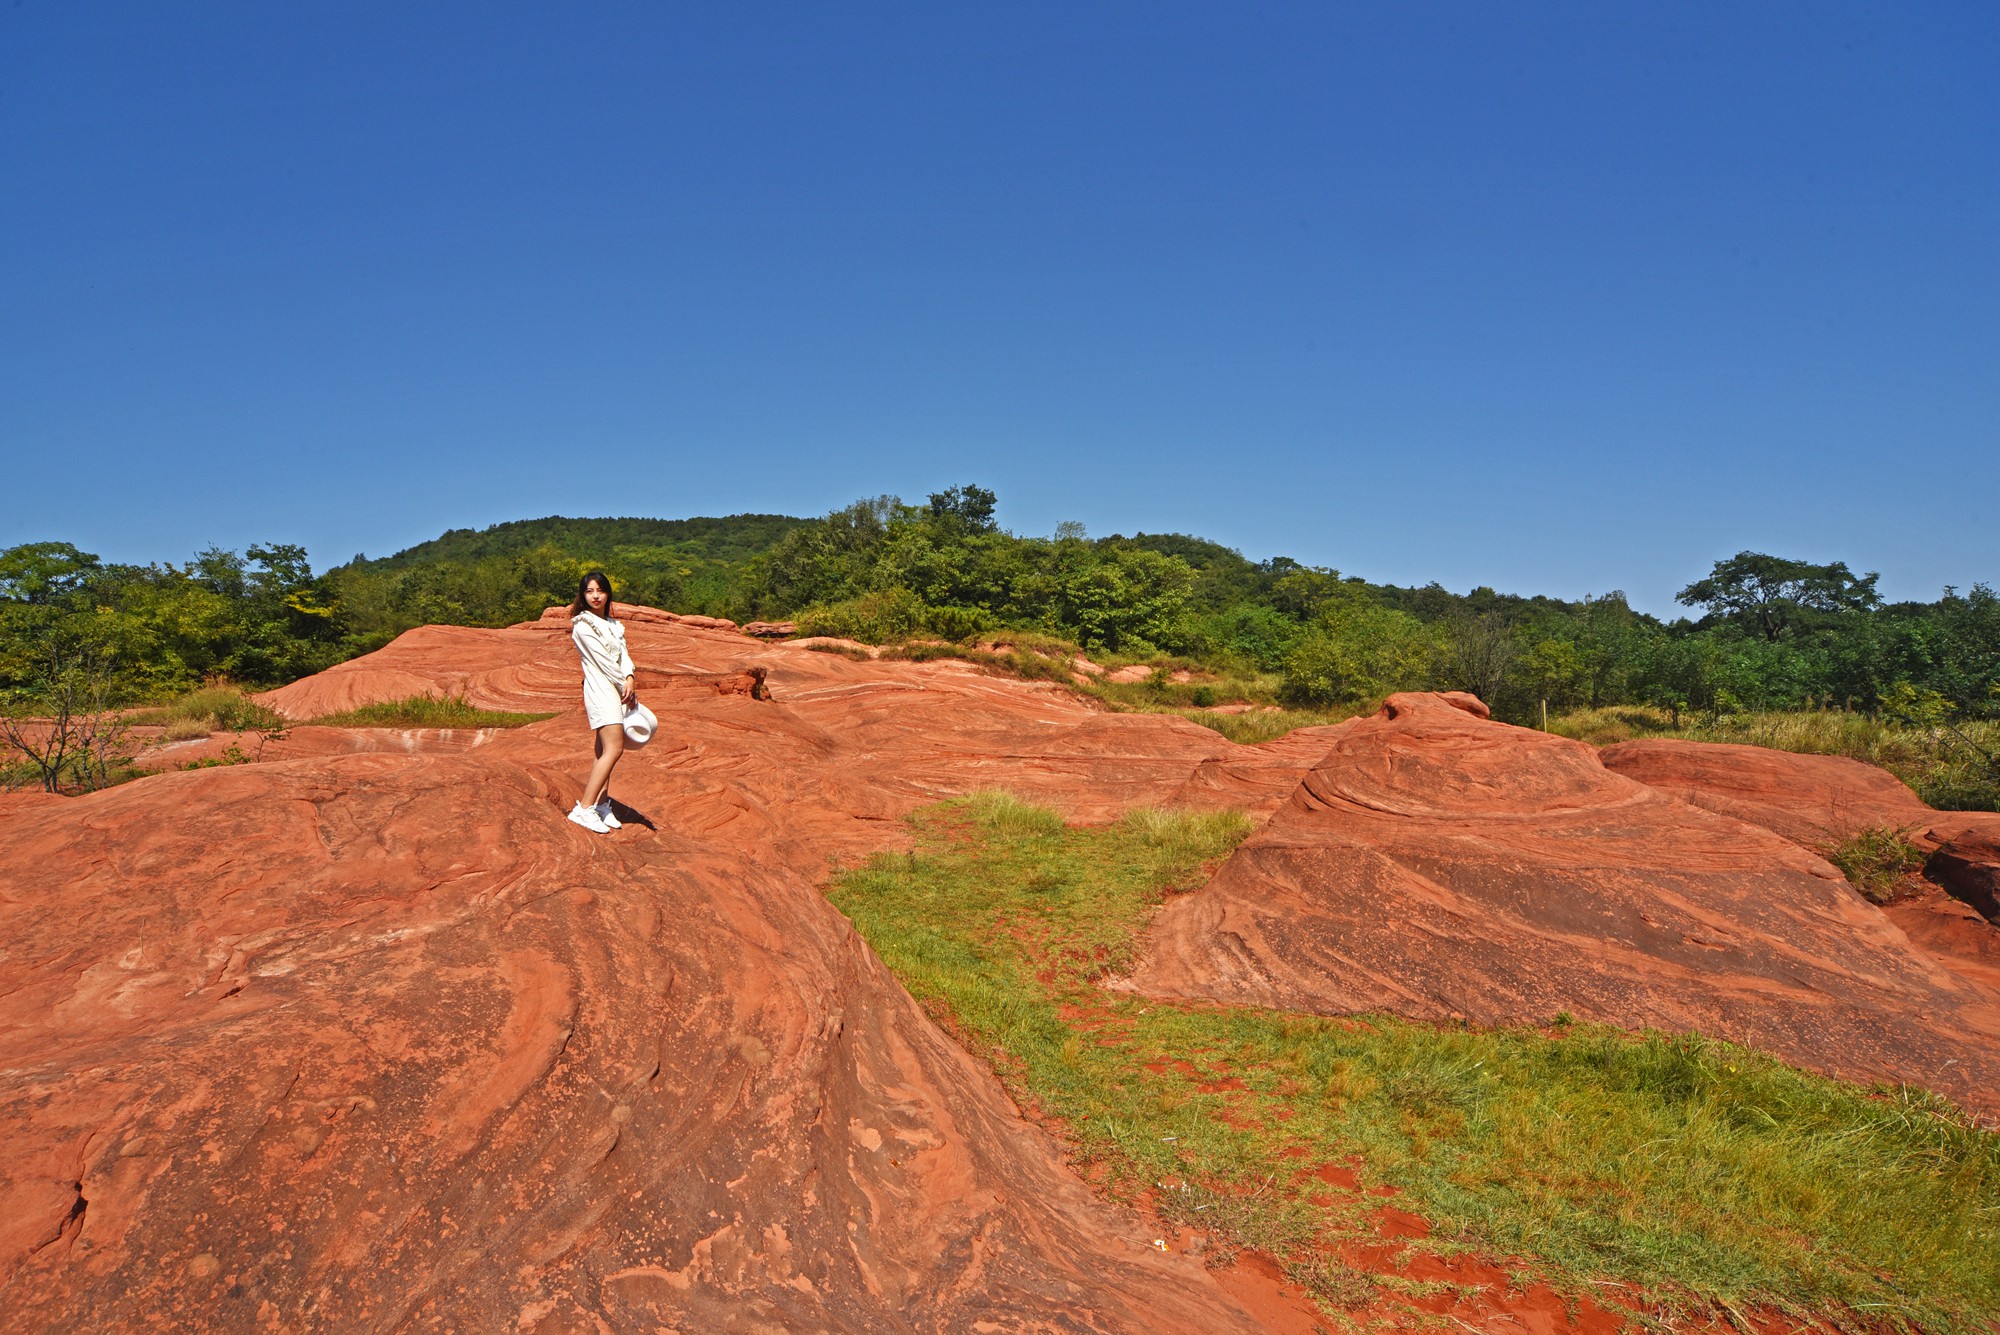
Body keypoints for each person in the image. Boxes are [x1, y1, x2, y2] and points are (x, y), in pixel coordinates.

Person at [567, 570, 636, 833]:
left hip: (617, 689)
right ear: (582, 596)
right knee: (614, 748)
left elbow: (623, 656)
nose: (595, 596)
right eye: (589, 591)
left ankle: (602, 803)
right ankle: (584, 809)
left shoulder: (614, 625)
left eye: (600, 590)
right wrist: (623, 684)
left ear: (608, 593)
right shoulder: (583, 625)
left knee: (602, 750)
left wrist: (629, 676)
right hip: (601, 690)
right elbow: (604, 662)